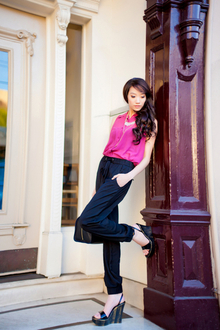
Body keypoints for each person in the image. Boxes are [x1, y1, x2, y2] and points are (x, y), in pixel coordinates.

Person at [74, 77, 157, 326]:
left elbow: (146, 159)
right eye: (134, 96)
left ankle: (135, 233)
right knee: (106, 232)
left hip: (122, 171)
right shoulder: (119, 119)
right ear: (127, 96)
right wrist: (96, 188)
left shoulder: (150, 122)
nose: (138, 100)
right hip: (105, 168)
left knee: (87, 220)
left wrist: (127, 177)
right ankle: (115, 295)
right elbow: (107, 150)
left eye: (142, 96)